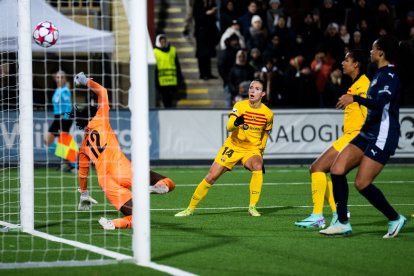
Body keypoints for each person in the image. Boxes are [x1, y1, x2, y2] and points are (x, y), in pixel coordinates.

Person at [320, 36, 407, 238]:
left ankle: (395, 218)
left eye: (372, 48)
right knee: (337, 169)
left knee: (362, 183)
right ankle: (342, 222)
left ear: (381, 53)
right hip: (368, 132)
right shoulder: (377, 74)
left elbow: (380, 103)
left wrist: (355, 99)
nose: (370, 52)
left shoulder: (390, 76)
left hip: (383, 135)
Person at [71, 72, 175, 230]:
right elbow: (103, 92)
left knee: (138, 218)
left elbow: (82, 173)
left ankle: (113, 224)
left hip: (106, 181)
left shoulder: (84, 146)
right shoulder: (100, 118)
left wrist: (84, 194)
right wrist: (86, 81)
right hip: (121, 168)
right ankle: (160, 185)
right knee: (170, 183)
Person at [175, 79, 273, 217]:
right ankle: (190, 209)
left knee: (257, 165)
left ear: (263, 93)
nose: (252, 90)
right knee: (211, 176)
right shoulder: (240, 106)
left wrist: (260, 153)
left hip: (252, 149)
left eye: (256, 89)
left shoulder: (268, 113)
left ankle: (252, 207)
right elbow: (229, 127)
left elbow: (265, 134)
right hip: (233, 146)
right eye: (251, 87)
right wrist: (238, 122)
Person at [295, 49, 370, 229]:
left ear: (356, 64)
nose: (342, 63)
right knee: (322, 170)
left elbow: (370, 115)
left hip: (355, 137)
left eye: (346, 60)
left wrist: (360, 135)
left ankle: (319, 216)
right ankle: (333, 214)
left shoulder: (363, 85)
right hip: (350, 135)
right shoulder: (356, 84)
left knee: (317, 168)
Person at [43, 70, 76, 173]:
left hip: (64, 118)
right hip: (57, 118)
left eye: (61, 77)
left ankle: (74, 166)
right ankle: (66, 161)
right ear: (55, 78)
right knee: (47, 140)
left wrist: (65, 119)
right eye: (57, 77)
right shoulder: (58, 90)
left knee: (65, 142)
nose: (59, 79)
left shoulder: (65, 91)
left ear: (65, 79)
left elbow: (69, 107)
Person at [153, 34, 184, 108]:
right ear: (158, 42)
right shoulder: (155, 52)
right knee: (166, 100)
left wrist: (179, 78)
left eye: (164, 41)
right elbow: (155, 69)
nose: (163, 43)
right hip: (162, 82)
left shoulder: (172, 50)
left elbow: (177, 65)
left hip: (172, 81)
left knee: (171, 100)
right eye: (161, 42)